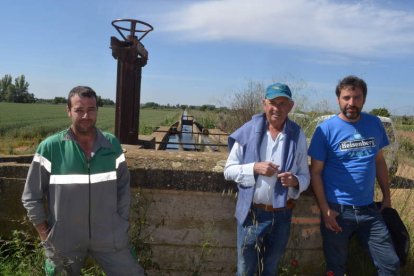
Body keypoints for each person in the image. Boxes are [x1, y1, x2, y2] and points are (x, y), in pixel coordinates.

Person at [22, 86, 144, 275]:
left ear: (97, 111)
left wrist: (120, 223)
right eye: (79, 110)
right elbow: (31, 197)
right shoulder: (50, 148)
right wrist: (47, 237)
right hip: (64, 240)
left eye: (91, 110)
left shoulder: (111, 145)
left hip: (110, 236)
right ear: (69, 111)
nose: (86, 116)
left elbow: (123, 189)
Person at [308, 75, 400, 275]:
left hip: (369, 209)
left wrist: (387, 196)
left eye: (357, 97)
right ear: (338, 100)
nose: (352, 103)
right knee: (336, 267)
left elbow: (379, 162)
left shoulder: (374, 124)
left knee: (390, 264)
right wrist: (325, 210)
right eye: (346, 97)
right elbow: (315, 172)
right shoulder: (325, 130)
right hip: (338, 211)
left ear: (364, 99)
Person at [224, 83, 310, 275]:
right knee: (245, 270)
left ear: (290, 106)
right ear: (264, 103)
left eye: (282, 103)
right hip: (252, 214)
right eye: (272, 102)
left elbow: (306, 176)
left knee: (270, 269)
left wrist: (295, 181)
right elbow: (228, 170)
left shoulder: (298, 135)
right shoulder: (248, 130)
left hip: (282, 215)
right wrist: (254, 167)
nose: (276, 108)